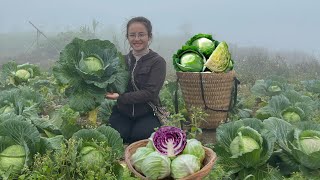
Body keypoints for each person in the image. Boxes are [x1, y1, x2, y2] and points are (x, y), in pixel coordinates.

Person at [105, 16, 166, 144]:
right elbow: (111, 82)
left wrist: (120, 97)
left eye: (141, 35)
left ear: (149, 37)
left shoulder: (157, 62)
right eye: (132, 35)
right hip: (122, 112)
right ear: (127, 37)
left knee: (140, 137)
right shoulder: (121, 60)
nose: (137, 39)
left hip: (147, 112)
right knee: (119, 136)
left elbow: (150, 93)